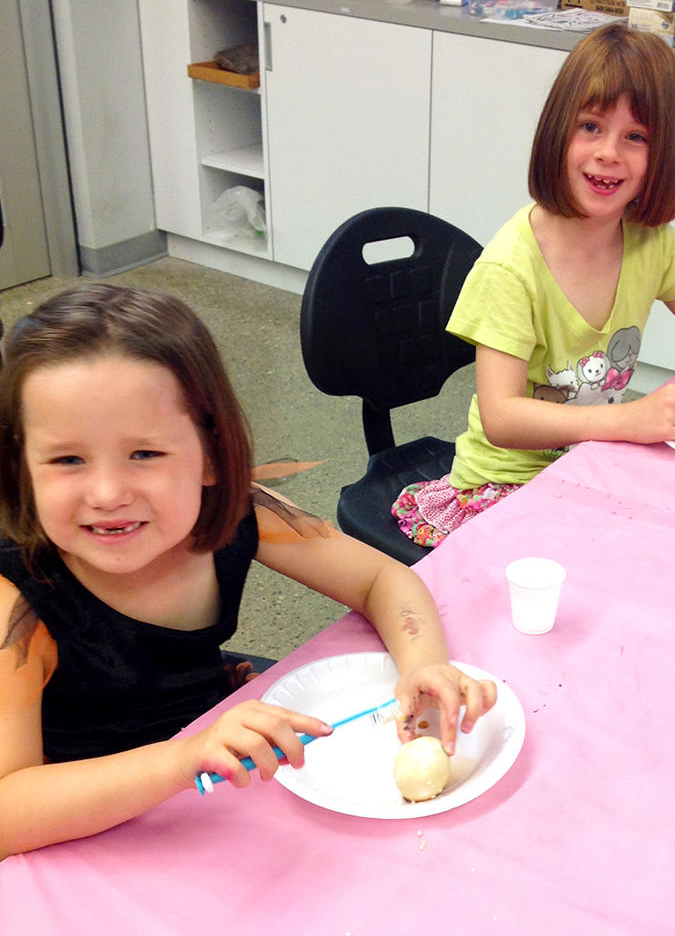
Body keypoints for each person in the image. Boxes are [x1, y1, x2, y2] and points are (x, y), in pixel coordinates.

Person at [0, 283, 497, 857]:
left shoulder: (238, 510)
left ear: (210, 456)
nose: (107, 493)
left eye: (144, 454)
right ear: (21, 467)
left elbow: (380, 578)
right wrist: (180, 759)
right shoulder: (15, 606)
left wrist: (424, 664)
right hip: (90, 828)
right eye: (67, 459)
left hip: (217, 774)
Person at [393, 24, 675, 548]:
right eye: (591, 127)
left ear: (664, 155)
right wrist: (631, 418)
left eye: (636, 137)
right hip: (505, 487)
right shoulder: (511, 268)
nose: (609, 153)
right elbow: (502, 417)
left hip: (592, 463)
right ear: (556, 132)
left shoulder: (650, 242)